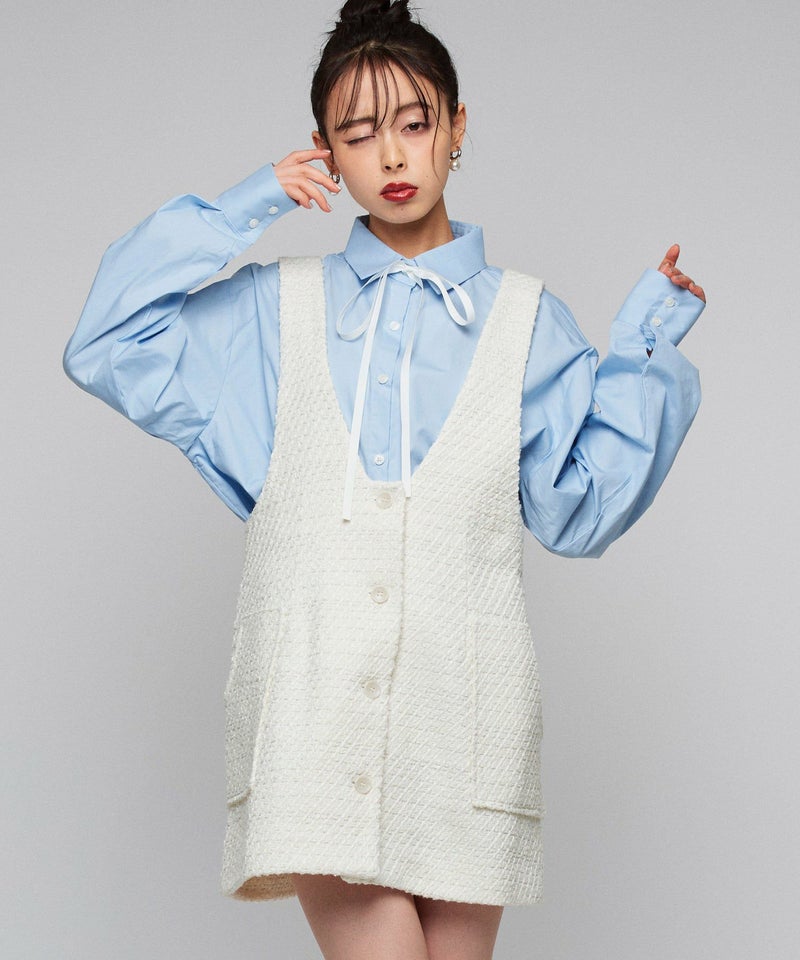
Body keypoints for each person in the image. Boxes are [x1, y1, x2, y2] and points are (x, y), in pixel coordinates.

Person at [62, 1, 706, 957]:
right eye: (359, 134)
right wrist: (248, 203)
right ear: (325, 150)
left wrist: (646, 346)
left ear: (456, 125)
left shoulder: (528, 321)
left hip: (465, 727)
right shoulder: (273, 312)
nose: (393, 156)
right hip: (314, 718)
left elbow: (579, 510)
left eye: (413, 122)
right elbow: (108, 339)